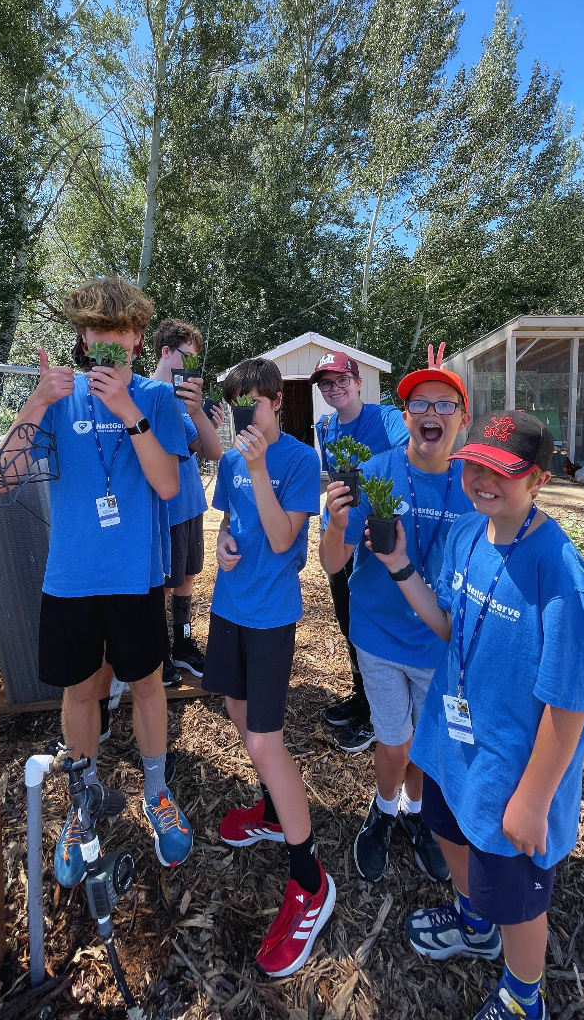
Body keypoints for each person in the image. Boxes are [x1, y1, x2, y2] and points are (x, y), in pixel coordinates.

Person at [370, 411, 584, 1020]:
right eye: (476, 464)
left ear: (540, 480)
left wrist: (532, 800)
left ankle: (525, 996)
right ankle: (475, 925)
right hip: (452, 744)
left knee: (518, 899)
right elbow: (449, 626)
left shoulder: (561, 574)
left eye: (503, 471)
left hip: (512, 768)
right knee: (451, 833)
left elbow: (570, 703)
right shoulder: (469, 535)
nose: (483, 479)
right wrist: (399, 567)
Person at [0, 277, 194, 887]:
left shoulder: (157, 400)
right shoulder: (58, 396)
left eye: (120, 333)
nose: (108, 343)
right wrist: (33, 403)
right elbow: (2, 481)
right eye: (96, 332)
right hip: (72, 580)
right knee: (81, 695)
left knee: (148, 687)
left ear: (138, 338)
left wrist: (130, 413)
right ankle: (82, 810)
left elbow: (167, 486)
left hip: (134, 579)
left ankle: (156, 794)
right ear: (82, 337)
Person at [202, 358, 335, 977]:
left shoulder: (298, 461)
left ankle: (309, 879)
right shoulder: (229, 461)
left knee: (263, 738)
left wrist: (258, 470)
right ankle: (272, 813)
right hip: (229, 606)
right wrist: (224, 545)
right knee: (234, 709)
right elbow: (234, 525)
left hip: (272, 615)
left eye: (251, 403)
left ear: (276, 401)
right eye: (234, 405)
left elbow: (286, 542)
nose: (242, 416)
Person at [319, 357, 472, 883]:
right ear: (404, 416)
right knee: (394, 740)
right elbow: (332, 563)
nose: (431, 412)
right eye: (419, 404)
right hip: (379, 637)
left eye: (444, 404)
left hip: (438, 643)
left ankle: (417, 813)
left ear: (462, 419)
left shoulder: (474, 487)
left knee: (426, 747)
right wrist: (336, 525)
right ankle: (383, 814)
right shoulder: (374, 473)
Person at [310, 349, 409, 753]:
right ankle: (362, 693)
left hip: (378, 536)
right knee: (348, 618)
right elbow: (335, 481)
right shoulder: (325, 427)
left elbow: (410, 454)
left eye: (341, 381)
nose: (334, 389)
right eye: (326, 384)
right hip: (341, 535)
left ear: (358, 383)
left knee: (372, 621)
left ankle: (378, 714)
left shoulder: (386, 419)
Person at [152, 318, 224, 683]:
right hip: (161, 509)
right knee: (163, 583)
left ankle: (183, 644)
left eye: (197, 361)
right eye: (188, 358)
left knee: (187, 576)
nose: (192, 367)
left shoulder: (184, 400)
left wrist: (206, 416)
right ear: (167, 352)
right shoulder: (144, 394)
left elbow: (209, 450)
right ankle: (159, 652)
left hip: (190, 503)